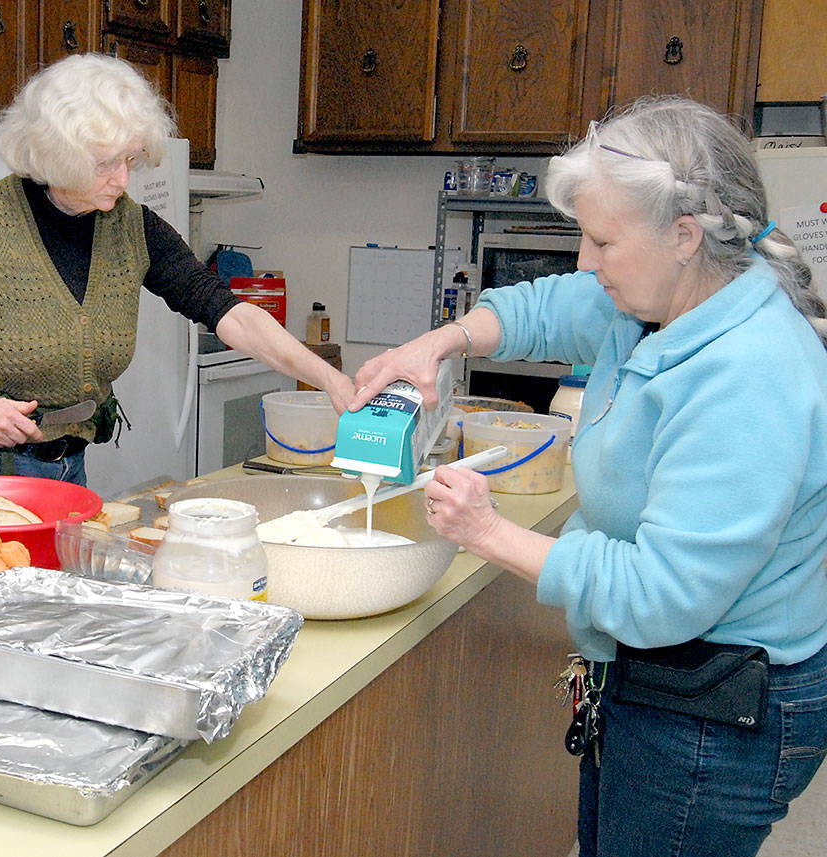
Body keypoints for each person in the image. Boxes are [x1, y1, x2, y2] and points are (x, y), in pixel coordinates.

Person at [350, 96, 827, 856]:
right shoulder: (655, 300)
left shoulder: (749, 374)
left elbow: (662, 597)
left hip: (716, 708)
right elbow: (542, 307)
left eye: (603, 240)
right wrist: (437, 344)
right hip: (659, 682)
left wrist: (488, 532)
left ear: (684, 235)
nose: (584, 261)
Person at [0, 53, 352, 484]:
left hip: (68, 455)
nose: (124, 179)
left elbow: (232, 315)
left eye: (129, 160)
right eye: (105, 163)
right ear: (56, 154)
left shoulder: (133, 228)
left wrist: (329, 379)